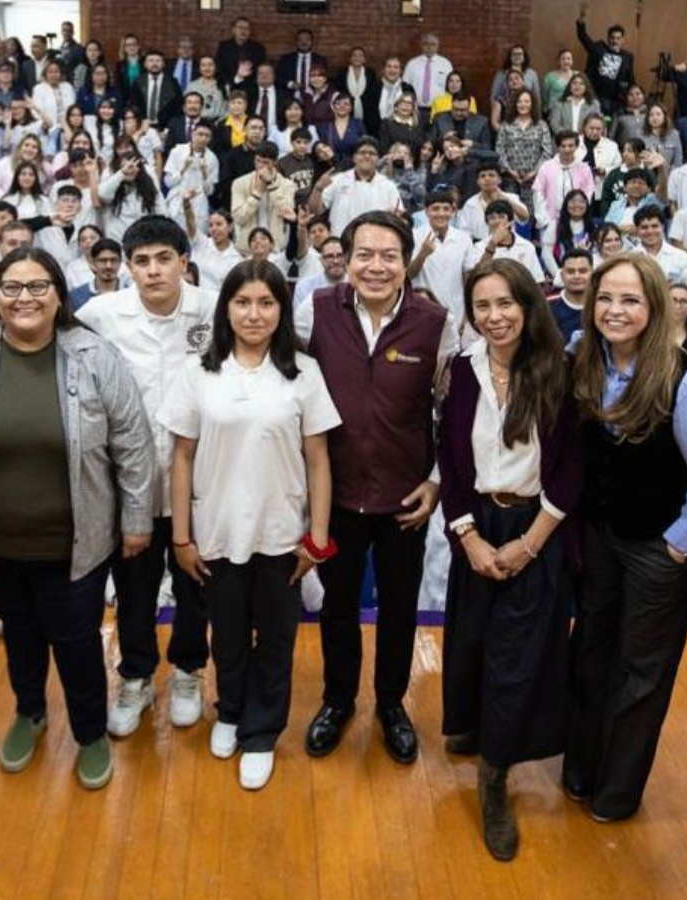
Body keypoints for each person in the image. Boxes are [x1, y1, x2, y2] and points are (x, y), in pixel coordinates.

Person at [0, 247, 155, 791]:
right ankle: (30, 712)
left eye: (38, 286)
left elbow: (133, 444)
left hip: (77, 539)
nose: (25, 298)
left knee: (78, 640)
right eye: (12, 287)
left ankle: (89, 733)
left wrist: (137, 517)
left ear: (59, 294)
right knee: (19, 634)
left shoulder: (94, 355)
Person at [159, 260, 337, 791]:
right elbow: (182, 459)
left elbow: (319, 460)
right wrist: (182, 537)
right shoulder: (199, 372)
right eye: (243, 302)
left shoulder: (303, 373)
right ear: (226, 309)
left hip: (282, 533)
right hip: (215, 533)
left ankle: (261, 732)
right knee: (228, 635)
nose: (254, 314)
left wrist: (318, 539)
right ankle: (231, 711)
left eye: (266, 303)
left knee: (277, 638)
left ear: (281, 310)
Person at [564, 254, 687, 823]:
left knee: (641, 673)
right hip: (603, 538)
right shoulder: (583, 360)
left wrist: (676, 546)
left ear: (654, 307)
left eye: (630, 300)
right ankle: (580, 769)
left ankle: (617, 792)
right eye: (605, 298)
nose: (615, 310)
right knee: (590, 653)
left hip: (658, 549)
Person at [294, 210, 458, 765]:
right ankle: (337, 701)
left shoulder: (436, 323)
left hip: (404, 502)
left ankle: (391, 704)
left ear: (406, 261)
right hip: (334, 497)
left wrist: (436, 482)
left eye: (389, 255)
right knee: (338, 605)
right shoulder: (314, 312)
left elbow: (453, 416)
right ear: (344, 259)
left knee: (399, 608)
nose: (376, 266)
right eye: (364, 254)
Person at [437, 258, 583, 860]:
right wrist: (468, 536)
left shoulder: (560, 370)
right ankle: (475, 733)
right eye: (482, 306)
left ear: (529, 305)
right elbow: (450, 455)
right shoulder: (462, 370)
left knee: (518, 656)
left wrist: (529, 543)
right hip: (478, 519)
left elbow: (572, 466)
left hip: (536, 523)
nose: (494, 317)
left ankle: (495, 778)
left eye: (505, 304)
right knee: (472, 640)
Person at [72, 217, 217, 739]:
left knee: (195, 581)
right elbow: (49, 332)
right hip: (128, 480)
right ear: (127, 267)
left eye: (163, 259)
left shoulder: (214, 306)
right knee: (134, 586)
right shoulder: (103, 313)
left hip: (198, 478)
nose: (153, 271)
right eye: (141, 261)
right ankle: (135, 674)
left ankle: (187, 670)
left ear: (184, 261)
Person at [407, 190, 476, 322]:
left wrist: (468, 313)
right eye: (435, 209)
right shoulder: (414, 236)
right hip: (424, 310)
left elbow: (468, 275)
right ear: (426, 212)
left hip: (457, 309)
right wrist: (423, 254)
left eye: (446, 209)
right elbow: (408, 275)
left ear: (453, 211)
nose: (441, 213)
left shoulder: (463, 238)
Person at [310, 138, 403, 235]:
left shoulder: (388, 186)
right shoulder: (338, 180)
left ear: (378, 159)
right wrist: (318, 189)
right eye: (362, 153)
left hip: (375, 244)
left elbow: (399, 216)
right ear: (354, 158)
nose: (367, 156)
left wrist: (395, 217)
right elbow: (316, 211)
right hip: (340, 244)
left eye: (372, 153)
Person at [467, 200, 547, 282]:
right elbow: (476, 278)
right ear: (487, 223)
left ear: (510, 221)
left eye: (501, 216)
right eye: (491, 218)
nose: (497, 221)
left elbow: (537, 281)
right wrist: (492, 244)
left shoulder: (527, 247)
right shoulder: (479, 247)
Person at [574, 11, 635, 113]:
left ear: (623, 40)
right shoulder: (599, 49)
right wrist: (581, 21)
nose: (614, 41)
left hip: (616, 100)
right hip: (596, 96)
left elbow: (630, 78)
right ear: (608, 38)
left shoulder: (628, 57)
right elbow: (583, 37)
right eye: (612, 38)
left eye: (618, 38)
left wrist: (634, 94)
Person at [631, 206, 687, 290]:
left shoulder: (681, 256)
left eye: (654, 226)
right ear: (637, 231)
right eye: (644, 227)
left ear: (662, 227)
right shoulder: (630, 258)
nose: (650, 231)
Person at [403, 33, 453, 121]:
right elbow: (404, 87)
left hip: (440, 110)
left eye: (433, 44)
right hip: (416, 110)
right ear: (421, 46)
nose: (429, 47)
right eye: (426, 44)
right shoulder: (412, 64)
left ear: (438, 46)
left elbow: (451, 87)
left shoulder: (446, 64)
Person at [550, 249, 594, 340]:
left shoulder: (603, 304)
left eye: (583, 271)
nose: (576, 276)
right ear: (562, 275)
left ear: (593, 274)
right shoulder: (546, 306)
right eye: (570, 271)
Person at [214, 17, 266, 86]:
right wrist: (233, 81)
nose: (243, 31)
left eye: (247, 28)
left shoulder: (258, 48)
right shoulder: (224, 47)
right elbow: (220, 68)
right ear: (233, 30)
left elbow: (261, 68)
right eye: (240, 27)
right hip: (229, 85)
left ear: (250, 32)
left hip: (251, 87)